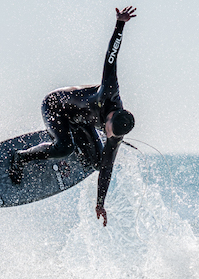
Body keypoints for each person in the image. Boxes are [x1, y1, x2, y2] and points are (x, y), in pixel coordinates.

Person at [10, 6, 138, 227]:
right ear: (110, 117)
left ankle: (68, 147)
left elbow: (107, 168)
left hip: (80, 122)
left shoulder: (116, 134)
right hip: (55, 107)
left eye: (112, 136)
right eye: (107, 131)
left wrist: (100, 203)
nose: (108, 136)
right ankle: (20, 158)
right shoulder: (109, 90)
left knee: (98, 163)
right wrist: (120, 24)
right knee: (64, 147)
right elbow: (111, 57)